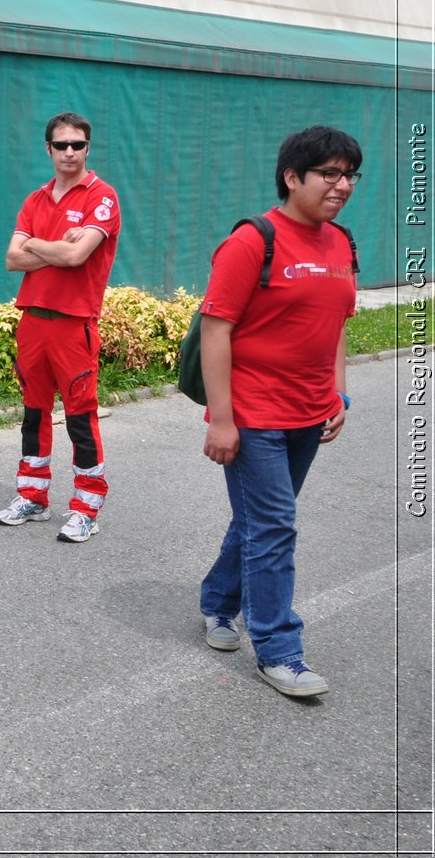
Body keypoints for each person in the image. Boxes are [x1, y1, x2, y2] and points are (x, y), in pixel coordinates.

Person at [198, 126, 360, 698]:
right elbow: (217, 328)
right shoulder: (253, 241)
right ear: (293, 177)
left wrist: (338, 392)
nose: (341, 186)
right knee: (274, 527)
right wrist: (222, 418)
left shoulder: (341, 244)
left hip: (310, 415)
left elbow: (337, 324)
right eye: (329, 174)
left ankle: (218, 604)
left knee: (257, 522)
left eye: (349, 175)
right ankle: (280, 651)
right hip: (255, 414)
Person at [0, 111, 122, 543]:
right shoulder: (35, 200)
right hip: (33, 320)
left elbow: (76, 258)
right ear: (48, 149)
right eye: (61, 145)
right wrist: (54, 247)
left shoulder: (101, 197)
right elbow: (13, 260)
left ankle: (87, 506)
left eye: (78, 145)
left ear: (88, 148)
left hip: (74, 325)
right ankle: (33, 497)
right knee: (34, 414)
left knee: (80, 419)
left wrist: (37, 245)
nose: (70, 152)